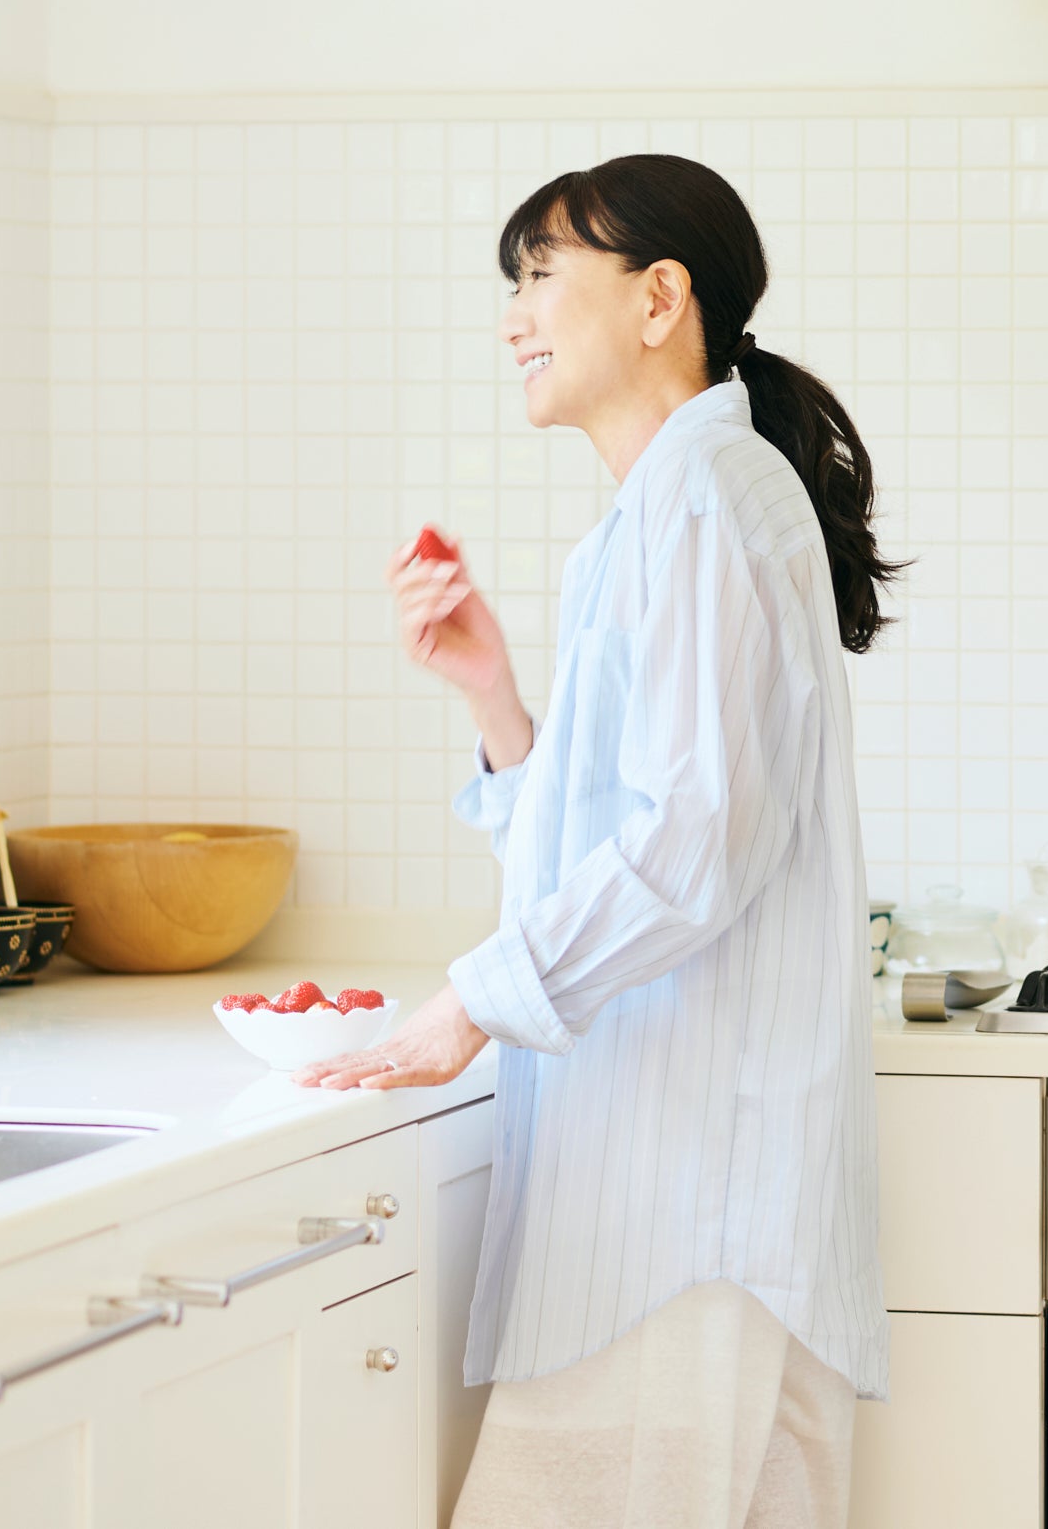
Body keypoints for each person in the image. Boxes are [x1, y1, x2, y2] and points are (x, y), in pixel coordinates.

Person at [295, 153, 895, 1528]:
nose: (514, 312)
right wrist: (496, 700)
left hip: (687, 1214)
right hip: (685, 1212)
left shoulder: (706, 502)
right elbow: (632, 829)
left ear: (658, 298)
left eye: (543, 273)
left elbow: (696, 844)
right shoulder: (667, 511)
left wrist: (473, 1001)